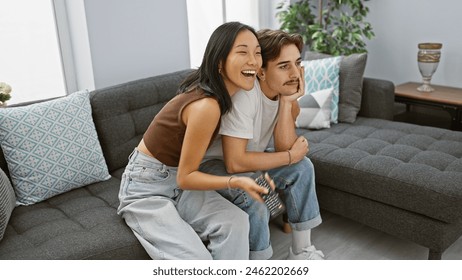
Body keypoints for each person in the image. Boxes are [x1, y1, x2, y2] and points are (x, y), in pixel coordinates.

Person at [117, 22, 269, 260]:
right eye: (242, 52)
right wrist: (237, 181)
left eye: (257, 52)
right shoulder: (206, 106)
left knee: (236, 222)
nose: (253, 60)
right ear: (219, 61)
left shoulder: (226, 96)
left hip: (178, 182)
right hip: (146, 187)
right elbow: (186, 177)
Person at [200, 29, 324, 260]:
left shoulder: (283, 92)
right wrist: (289, 157)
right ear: (261, 72)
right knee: (255, 191)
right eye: (284, 66)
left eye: (298, 63)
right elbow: (235, 162)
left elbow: (285, 148)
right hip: (213, 165)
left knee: (303, 167)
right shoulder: (245, 96)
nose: (296, 73)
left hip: (248, 160)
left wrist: (287, 103)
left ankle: (301, 252)